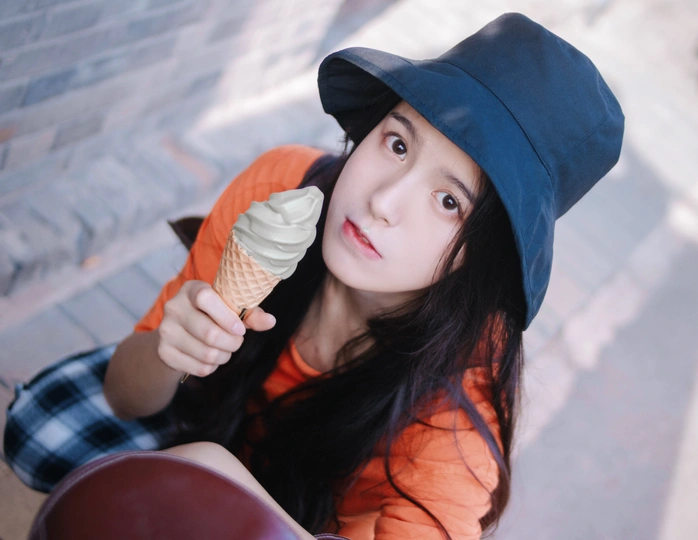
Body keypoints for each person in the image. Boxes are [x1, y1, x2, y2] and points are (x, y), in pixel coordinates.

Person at [4, 12, 624, 540]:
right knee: (39, 432)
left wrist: (216, 473)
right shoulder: (282, 191)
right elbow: (126, 397)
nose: (383, 201)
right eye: (398, 144)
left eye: (448, 202)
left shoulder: (461, 406)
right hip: (202, 413)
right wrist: (171, 350)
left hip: (306, 518)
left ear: (481, 257)